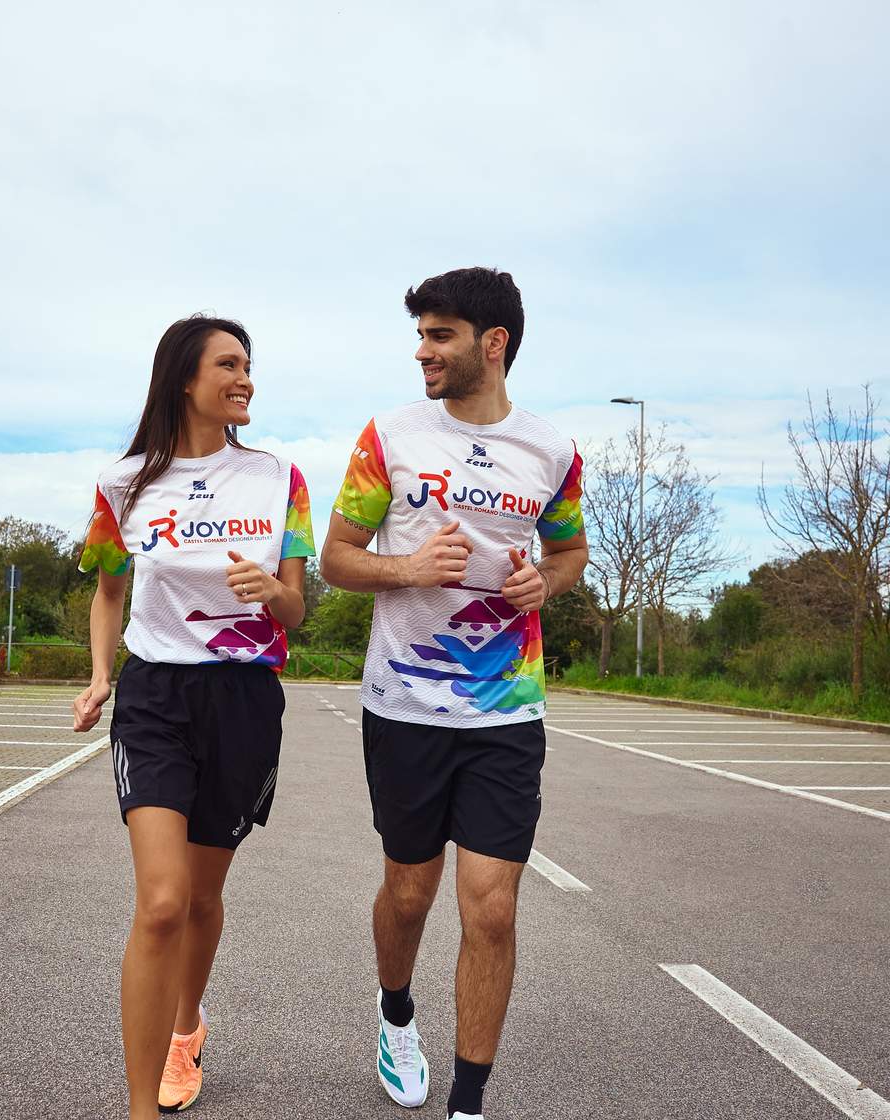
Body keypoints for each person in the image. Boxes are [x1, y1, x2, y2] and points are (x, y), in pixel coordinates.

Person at [320, 268, 588, 1120]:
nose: (422, 351)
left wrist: (544, 582)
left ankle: (468, 1106)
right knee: (409, 890)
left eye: (440, 336)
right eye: (422, 335)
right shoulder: (389, 437)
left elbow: (571, 553)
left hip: (507, 708)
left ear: (492, 344)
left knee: (494, 908)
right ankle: (396, 1013)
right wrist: (405, 568)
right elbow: (334, 557)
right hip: (403, 707)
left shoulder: (551, 451)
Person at [72, 314, 316, 1120]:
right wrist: (101, 675)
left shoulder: (282, 476)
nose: (245, 378)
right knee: (163, 900)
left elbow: (299, 610)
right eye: (229, 364)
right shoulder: (124, 482)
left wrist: (274, 595)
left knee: (204, 900)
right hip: (155, 698)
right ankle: (142, 1106)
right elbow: (109, 590)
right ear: (185, 377)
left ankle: (186, 1027)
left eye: (249, 365)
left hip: (243, 697)